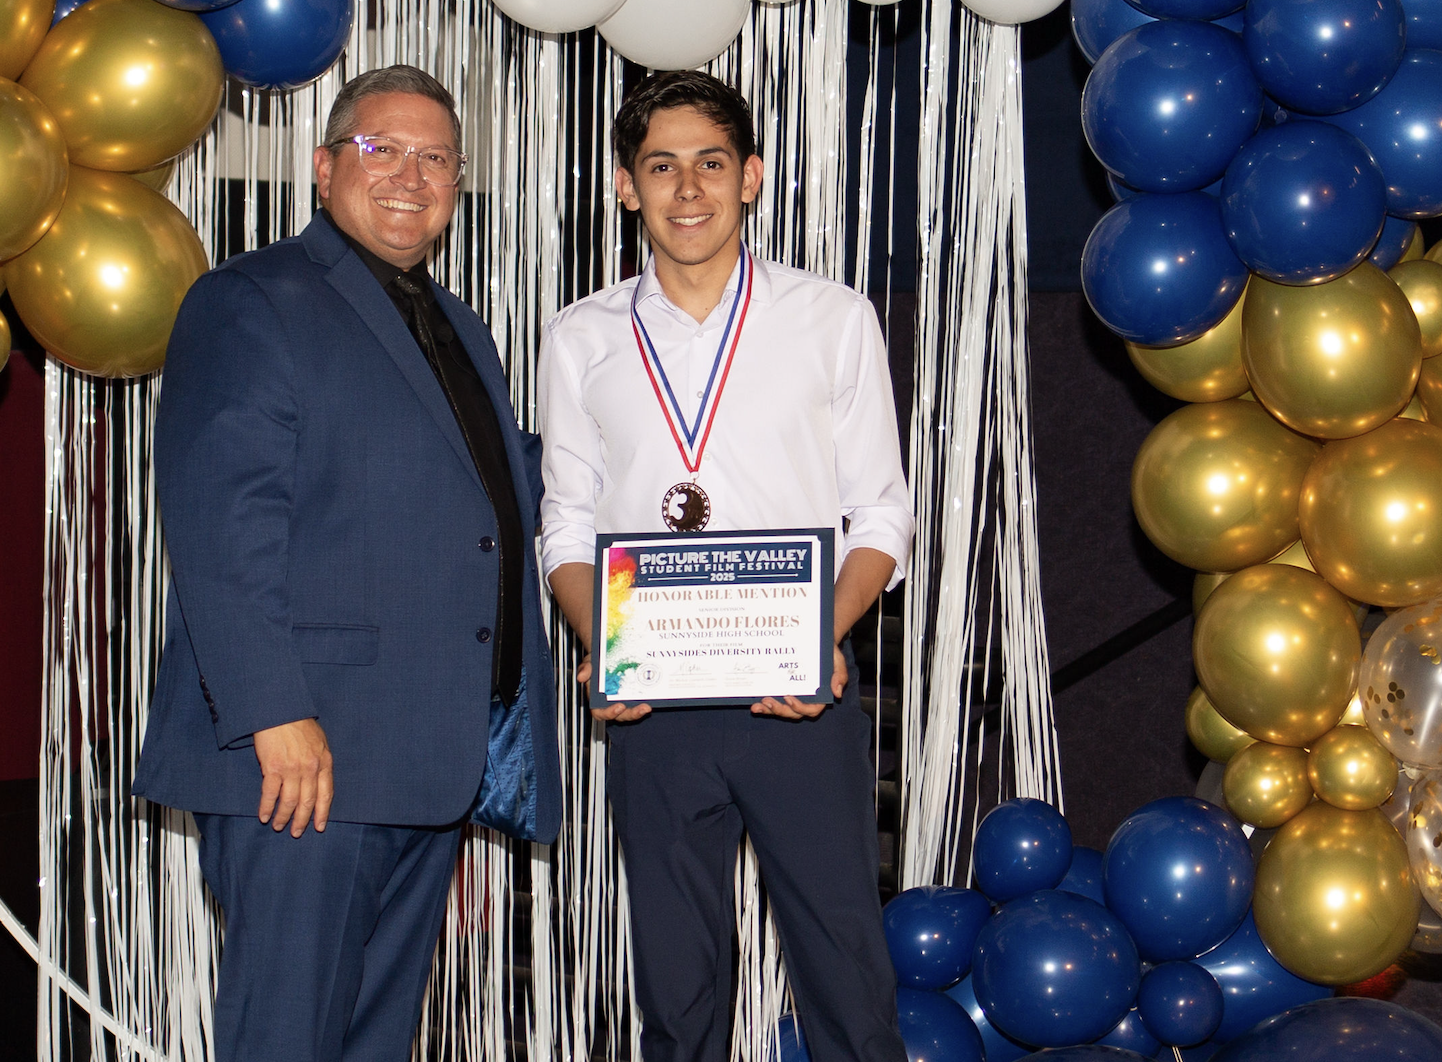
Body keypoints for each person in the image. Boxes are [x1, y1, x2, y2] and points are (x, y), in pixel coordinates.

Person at [134, 65, 561, 1062]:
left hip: (423, 759)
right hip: (304, 761)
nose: (409, 176)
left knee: (370, 1042)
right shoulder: (250, 300)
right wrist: (272, 714)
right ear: (323, 169)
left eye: (435, 159)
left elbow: (493, 499)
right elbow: (218, 522)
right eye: (382, 150)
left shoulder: (459, 326)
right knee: (286, 1038)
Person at [537, 71, 914, 1062]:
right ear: (626, 187)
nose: (688, 189)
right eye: (661, 166)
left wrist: (816, 638)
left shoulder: (830, 320)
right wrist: (599, 648)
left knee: (845, 976)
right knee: (677, 986)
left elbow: (881, 511)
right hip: (649, 710)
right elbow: (566, 527)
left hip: (797, 698)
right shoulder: (581, 338)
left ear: (751, 177)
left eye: (710, 163)